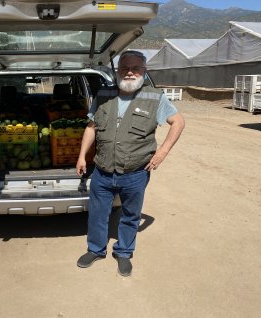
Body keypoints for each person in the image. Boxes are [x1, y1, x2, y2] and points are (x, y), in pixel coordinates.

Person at [76, 50, 185, 277]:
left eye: (136, 68)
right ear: (117, 70)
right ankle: (95, 250)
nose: (129, 72)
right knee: (97, 213)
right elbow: (91, 127)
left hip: (135, 173)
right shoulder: (104, 94)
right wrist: (81, 156)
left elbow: (178, 122)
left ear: (144, 72)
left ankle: (124, 252)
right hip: (103, 171)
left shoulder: (154, 97)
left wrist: (163, 152)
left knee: (130, 215)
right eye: (125, 67)